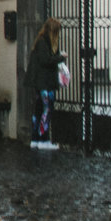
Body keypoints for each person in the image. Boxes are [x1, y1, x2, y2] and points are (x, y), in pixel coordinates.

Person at [24, 17, 66, 149]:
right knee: (46, 110)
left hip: (41, 83)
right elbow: (46, 61)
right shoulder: (44, 43)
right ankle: (43, 139)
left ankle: (36, 139)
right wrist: (61, 57)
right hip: (45, 83)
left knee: (39, 110)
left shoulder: (41, 41)